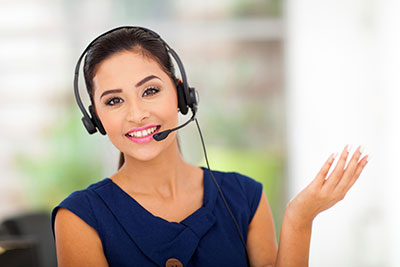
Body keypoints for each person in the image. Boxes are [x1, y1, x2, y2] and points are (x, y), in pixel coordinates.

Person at [51, 27, 369, 267]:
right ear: (96, 119)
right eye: (115, 100)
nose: (136, 114)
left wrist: (299, 218)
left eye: (149, 91)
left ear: (181, 96)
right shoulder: (80, 217)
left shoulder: (245, 197)